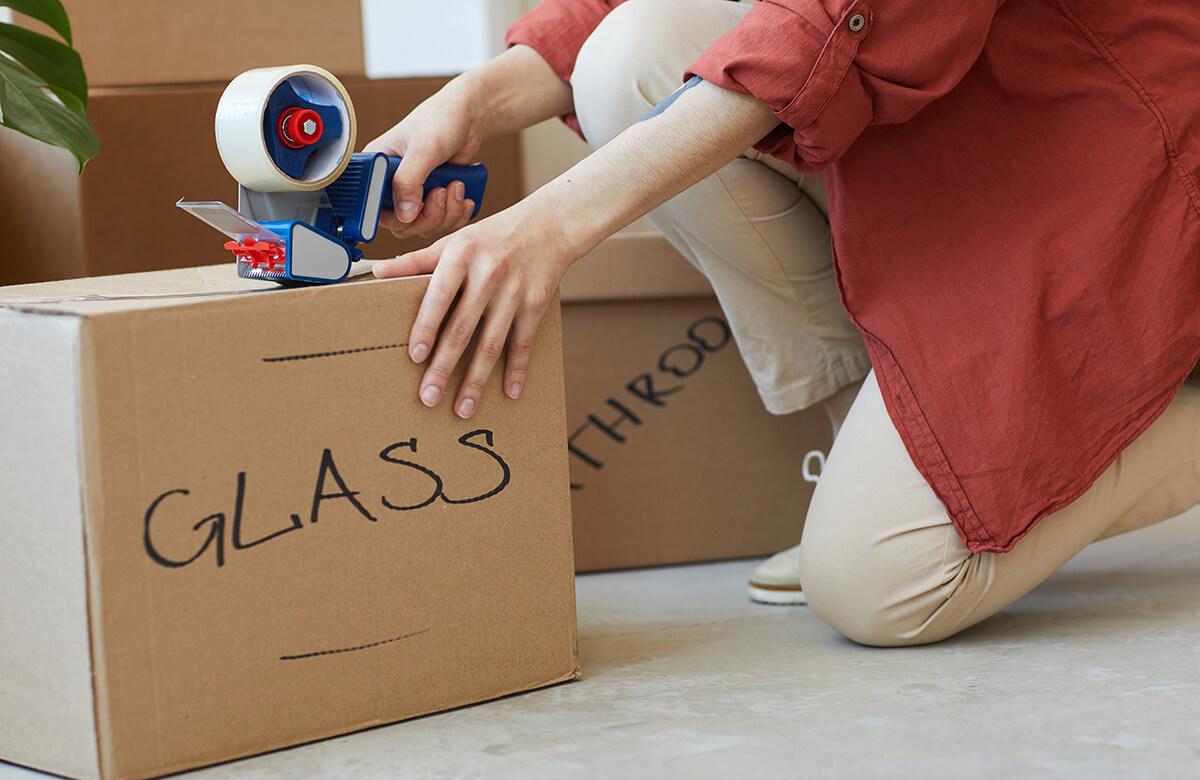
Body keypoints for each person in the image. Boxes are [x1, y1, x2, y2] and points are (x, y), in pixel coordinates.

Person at [365, 0, 1200, 646]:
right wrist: (474, 100)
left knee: (879, 582)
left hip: (1108, 147)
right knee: (626, 56)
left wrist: (551, 226)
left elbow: (838, 22)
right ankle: (885, 453)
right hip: (952, 107)